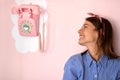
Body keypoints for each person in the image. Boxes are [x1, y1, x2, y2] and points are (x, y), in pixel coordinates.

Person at [63, 13, 120, 80]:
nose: (79, 31)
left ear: (101, 32)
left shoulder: (118, 65)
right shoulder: (73, 63)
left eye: (85, 27)